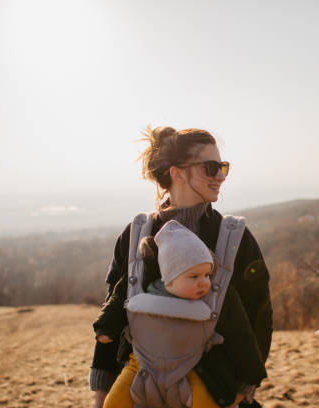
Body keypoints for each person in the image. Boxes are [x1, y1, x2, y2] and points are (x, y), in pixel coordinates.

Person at [89, 126, 273, 408]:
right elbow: (114, 312)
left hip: (214, 394)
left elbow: (259, 316)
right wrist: (102, 390)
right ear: (177, 173)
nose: (221, 177)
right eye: (211, 168)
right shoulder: (135, 235)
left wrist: (244, 389)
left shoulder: (235, 239)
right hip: (141, 390)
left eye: (223, 167)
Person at [93, 220, 267, 407]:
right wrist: (105, 328)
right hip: (140, 366)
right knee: (114, 403)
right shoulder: (142, 294)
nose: (204, 282)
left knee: (207, 402)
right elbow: (115, 304)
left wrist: (249, 376)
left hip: (191, 370)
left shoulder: (210, 304)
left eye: (207, 275)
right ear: (169, 279)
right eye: (194, 276)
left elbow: (241, 338)